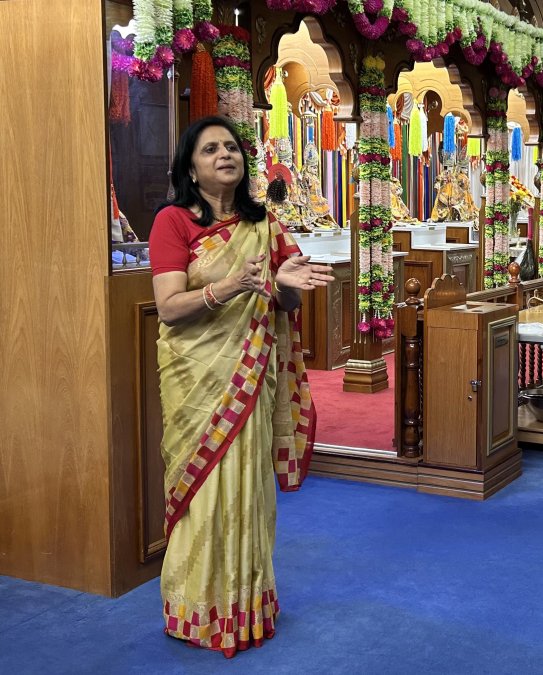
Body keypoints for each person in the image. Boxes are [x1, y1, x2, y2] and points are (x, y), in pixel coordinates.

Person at [148, 116, 334, 657]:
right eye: (210, 149)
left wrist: (288, 288)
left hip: (250, 378)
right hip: (195, 379)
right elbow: (169, 307)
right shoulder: (173, 222)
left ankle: (247, 604)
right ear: (190, 165)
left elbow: (285, 300)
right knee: (203, 494)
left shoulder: (266, 225)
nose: (225, 154)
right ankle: (195, 609)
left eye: (231, 146)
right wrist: (232, 284)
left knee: (249, 492)